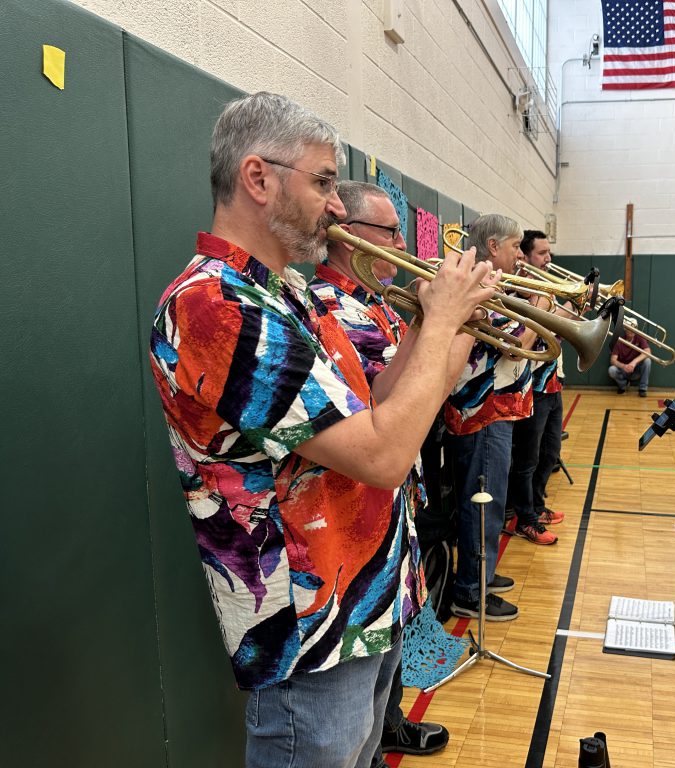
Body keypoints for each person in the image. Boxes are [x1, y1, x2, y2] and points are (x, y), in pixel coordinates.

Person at [149, 92, 496, 768]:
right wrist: (444, 321)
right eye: (325, 182)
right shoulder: (213, 305)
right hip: (311, 635)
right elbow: (385, 454)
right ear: (258, 178)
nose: (337, 206)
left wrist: (435, 321)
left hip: (368, 608)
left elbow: (376, 410)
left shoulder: (291, 292)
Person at [310, 181, 462, 765]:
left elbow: (430, 388)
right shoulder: (332, 308)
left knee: (388, 661)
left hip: (395, 504)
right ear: (351, 238)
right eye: (391, 231)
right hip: (352, 523)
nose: (404, 243)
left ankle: (390, 723)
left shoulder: (378, 302)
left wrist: (451, 324)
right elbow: (386, 414)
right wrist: (446, 326)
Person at [445, 214, 540, 620]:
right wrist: (540, 311)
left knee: (490, 501)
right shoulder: (480, 288)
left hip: (495, 408)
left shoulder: (495, 286)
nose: (521, 254)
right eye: (516, 246)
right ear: (494, 247)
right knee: (483, 503)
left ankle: (480, 573)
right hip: (481, 413)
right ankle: (471, 590)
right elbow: (515, 347)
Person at [505, 229, 567, 545]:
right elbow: (520, 341)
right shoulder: (515, 290)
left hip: (552, 382)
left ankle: (536, 506)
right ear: (527, 256)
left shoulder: (543, 287)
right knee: (527, 460)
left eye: (548, 252)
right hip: (533, 386)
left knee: (549, 453)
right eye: (541, 253)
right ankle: (525, 519)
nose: (548, 259)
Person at [608, 318, 651, 396]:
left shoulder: (640, 338)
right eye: (629, 328)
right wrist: (624, 366)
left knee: (647, 361)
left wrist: (634, 362)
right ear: (625, 329)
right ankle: (623, 386)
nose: (631, 331)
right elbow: (613, 360)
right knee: (612, 370)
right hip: (623, 370)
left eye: (634, 328)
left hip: (636, 369)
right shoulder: (619, 340)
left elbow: (648, 352)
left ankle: (642, 388)